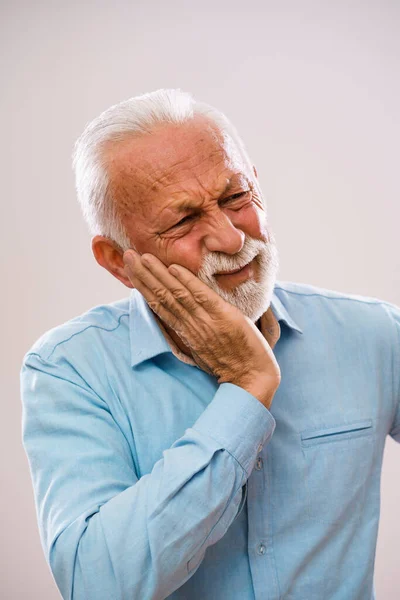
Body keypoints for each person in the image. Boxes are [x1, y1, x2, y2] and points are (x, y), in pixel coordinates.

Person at [21, 88, 400, 600]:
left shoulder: (374, 334)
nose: (231, 238)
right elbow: (97, 586)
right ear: (117, 259)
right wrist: (245, 390)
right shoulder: (69, 370)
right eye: (183, 220)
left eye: (235, 197)